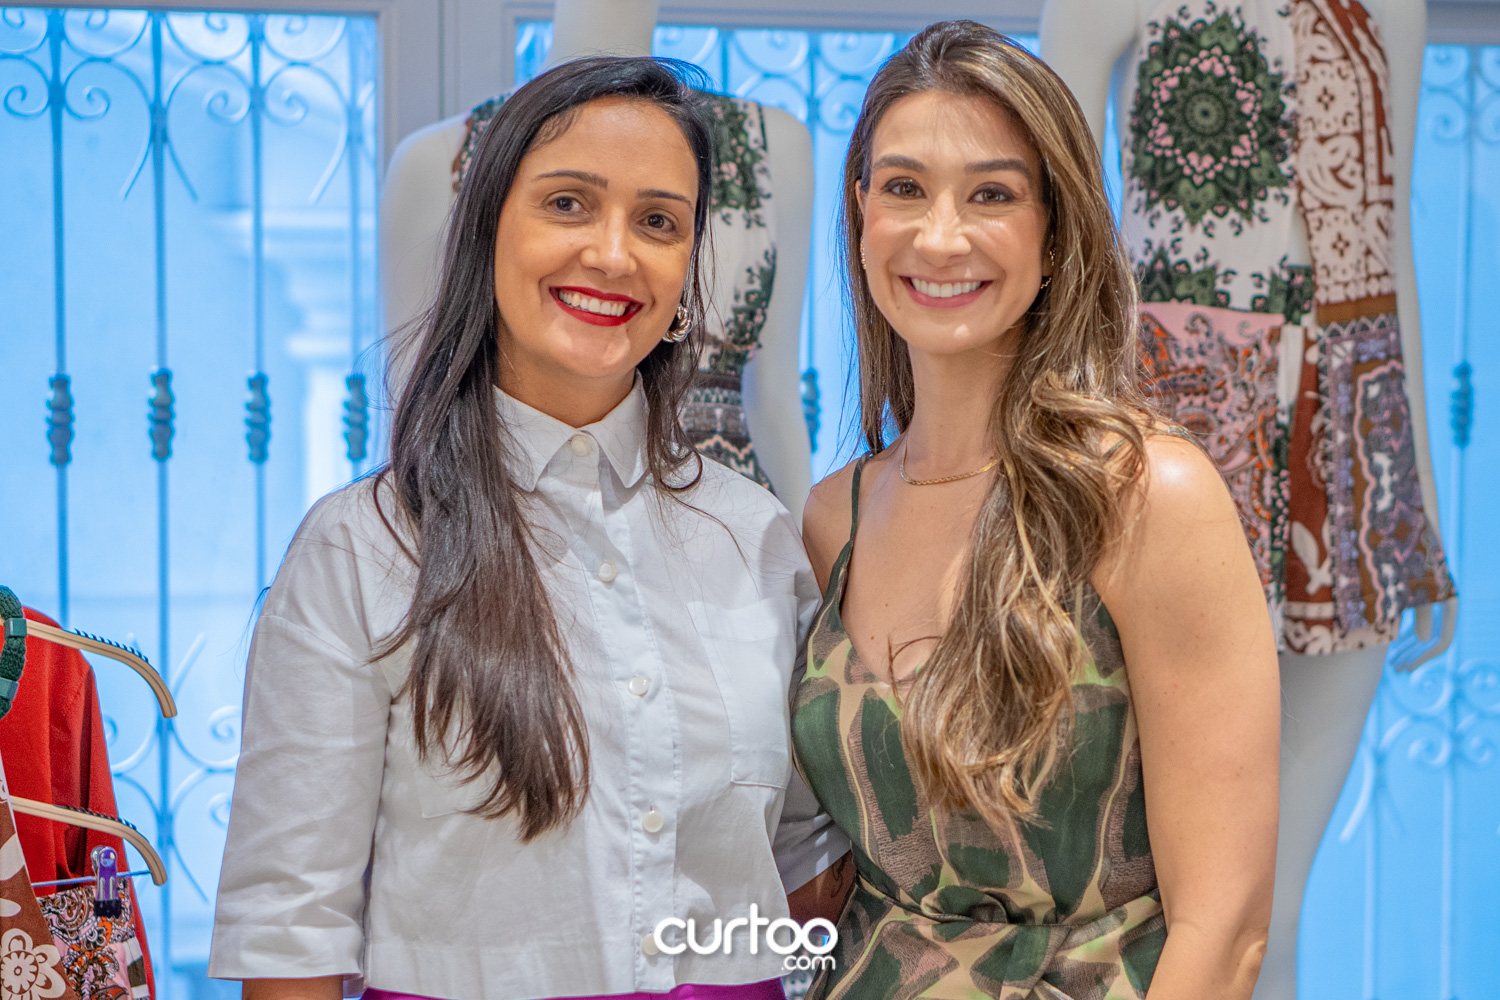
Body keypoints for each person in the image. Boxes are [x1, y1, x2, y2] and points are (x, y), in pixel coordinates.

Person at [208, 56, 846, 1000]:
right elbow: (290, 931)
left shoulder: (755, 536)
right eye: (568, 204)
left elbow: (804, 866)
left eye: (659, 222)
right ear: (486, 233)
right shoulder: (362, 548)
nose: (614, 254)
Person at [789, 21, 1280, 999]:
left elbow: (1225, 931)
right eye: (904, 188)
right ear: (861, 214)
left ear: (1055, 237)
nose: (940, 235)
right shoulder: (833, 516)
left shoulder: (1146, 496)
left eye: (992, 194)